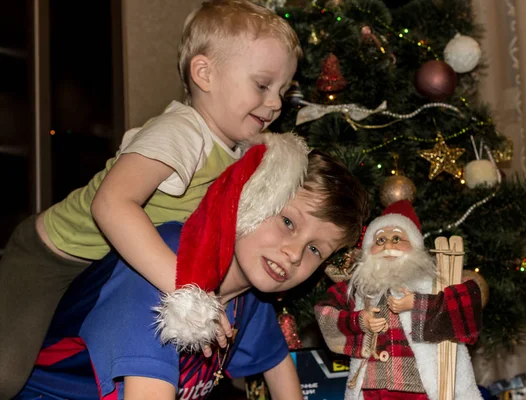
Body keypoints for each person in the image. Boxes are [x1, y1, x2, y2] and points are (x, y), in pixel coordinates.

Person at [0, 0, 302, 396]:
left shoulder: (242, 154)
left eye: (283, 90)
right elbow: (111, 205)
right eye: (263, 85)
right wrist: (189, 291)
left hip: (105, 268)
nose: (276, 102)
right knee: (6, 374)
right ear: (204, 73)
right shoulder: (181, 132)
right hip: (51, 257)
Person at [16, 141, 371, 400]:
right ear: (253, 198)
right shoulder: (163, 263)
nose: (294, 255)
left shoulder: (251, 298)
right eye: (289, 222)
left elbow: (280, 370)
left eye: (314, 250)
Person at [315, 200, 484, 400]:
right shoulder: (359, 289)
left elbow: (466, 309)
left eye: (397, 238)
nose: (387, 244)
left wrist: (418, 304)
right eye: (379, 240)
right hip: (371, 388)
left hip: (421, 389)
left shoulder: (432, 282)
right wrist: (360, 320)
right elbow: (325, 313)